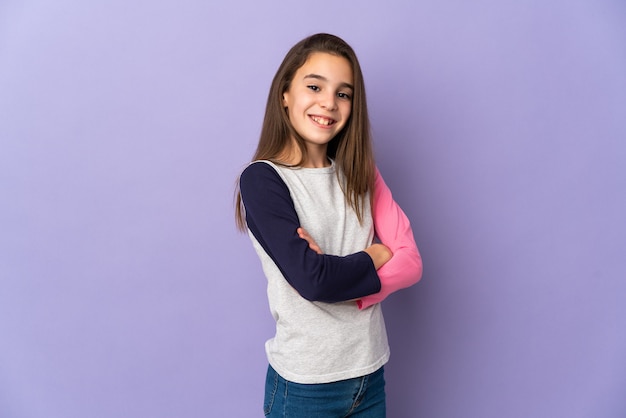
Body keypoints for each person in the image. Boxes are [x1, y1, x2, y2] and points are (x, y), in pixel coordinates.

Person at [235, 33, 422, 417]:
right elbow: (314, 281)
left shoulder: (359, 173)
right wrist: (375, 253)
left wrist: (340, 271)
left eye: (343, 93)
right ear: (285, 93)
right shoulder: (263, 180)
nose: (328, 103)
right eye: (315, 86)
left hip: (370, 372)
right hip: (306, 387)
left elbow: (411, 263)